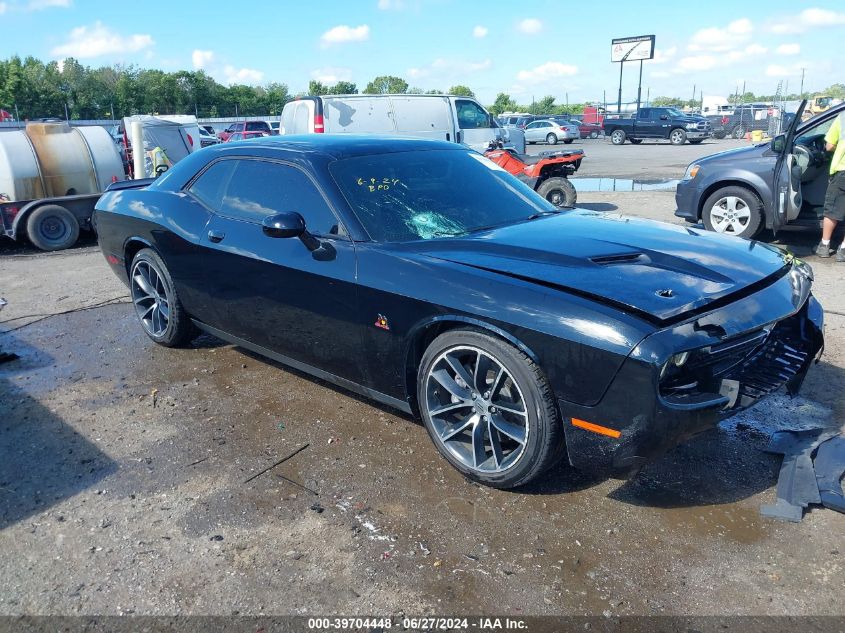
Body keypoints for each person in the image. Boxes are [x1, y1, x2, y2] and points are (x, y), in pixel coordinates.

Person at [816, 110, 845, 261]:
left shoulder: (843, 117)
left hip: (842, 171)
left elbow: (829, 146)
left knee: (832, 209)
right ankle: (843, 250)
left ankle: (824, 246)